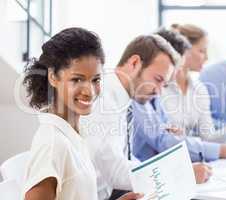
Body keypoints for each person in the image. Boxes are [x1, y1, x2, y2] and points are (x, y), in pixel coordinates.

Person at [81, 34, 210, 200]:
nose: (159, 91)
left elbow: (124, 159)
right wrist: (181, 173)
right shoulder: (103, 99)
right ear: (134, 63)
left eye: (164, 85)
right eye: (157, 80)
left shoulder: (122, 100)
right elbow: (115, 171)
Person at [22, 27, 142, 200]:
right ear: (53, 77)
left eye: (96, 80)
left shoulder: (75, 134)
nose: (90, 91)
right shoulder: (54, 144)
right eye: (77, 79)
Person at [131, 28, 226, 163]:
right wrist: (224, 150)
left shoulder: (194, 89)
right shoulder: (146, 92)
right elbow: (163, 141)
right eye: (201, 50)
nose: (176, 71)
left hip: (171, 163)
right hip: (156, 167)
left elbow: (171, 136)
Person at [160, 24, 226, 142]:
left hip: (188, 155)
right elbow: (162, 139)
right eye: (202, 51)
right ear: (184, 50)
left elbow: (208, 136)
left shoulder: (199, 89)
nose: (206, 57)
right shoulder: (159, 87)